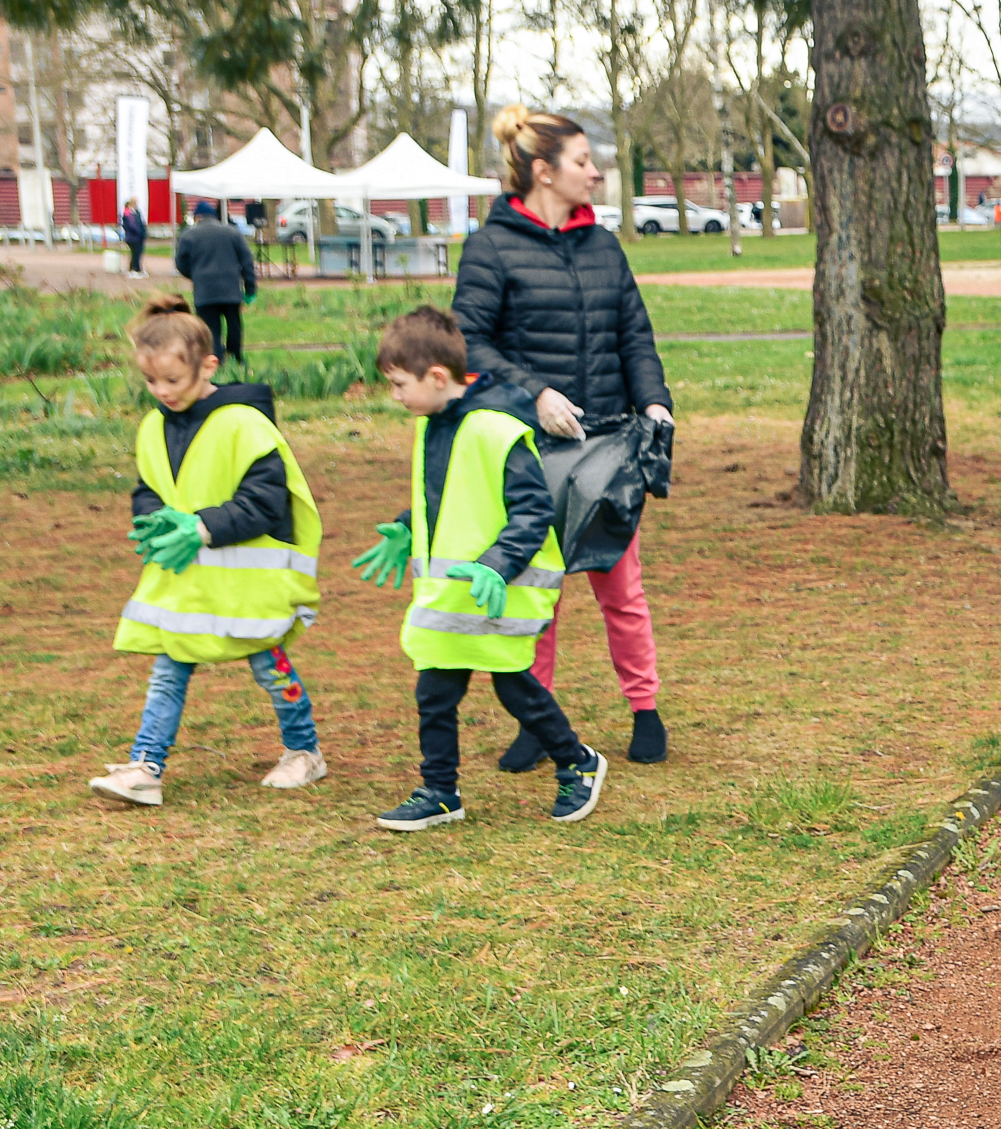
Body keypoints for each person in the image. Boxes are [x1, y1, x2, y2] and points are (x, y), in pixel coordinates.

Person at [453, 105, 674, 770]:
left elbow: (633, 333)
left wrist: (655, 403)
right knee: (538, 590)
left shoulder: (604, 246)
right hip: (533, 451)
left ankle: (646, 710)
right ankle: (536, 720)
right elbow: (468, 340)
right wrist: (535, 394)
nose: (595, 172)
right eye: (583, 161)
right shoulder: (490, 247)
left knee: (621, 589)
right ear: (543, 172)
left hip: (609, 447)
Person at [354, 307, 608, 831]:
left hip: (500, 591)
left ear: (438, 377)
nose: (395, 396)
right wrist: (407, 528)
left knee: (516, 689)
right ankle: (441, 791)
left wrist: (496, 566)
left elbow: (533, 511)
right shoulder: (431, 428)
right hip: (448, 595)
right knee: (434, 694)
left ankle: (578, 763)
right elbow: (446, 499)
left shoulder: (497, 430)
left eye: (400, 385)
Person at [91, 295, 325, 807]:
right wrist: (152, 521)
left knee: (270, 665)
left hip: (249, 587)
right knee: (169, 668)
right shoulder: (153, 426)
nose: (161, 392)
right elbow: (149, 486)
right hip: (190, 584)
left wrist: (198, 528)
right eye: (151, 382)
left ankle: (304, 752)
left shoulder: (245, 424)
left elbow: (265, 502)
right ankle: (147, 766)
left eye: (172, 380)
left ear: (208, 365)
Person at [175, 201, 257, 362]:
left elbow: (180, 263)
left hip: (204, 291)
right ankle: (235, 358)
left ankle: (216, 359)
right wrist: (250, 289)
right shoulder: (232, 232)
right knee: (234, 326)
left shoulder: (189, 234)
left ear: (197, 217)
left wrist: (196, 275)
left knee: (210, 329)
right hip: (231, 290)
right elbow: (247, 262)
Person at [120, 198, 148, 279]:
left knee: (137, 253)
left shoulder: (136, 212)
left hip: (138, 237)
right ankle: (134, 269)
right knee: (135, 253)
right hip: (133, 237)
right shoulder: (128, 213)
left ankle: (137, 269)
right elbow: (131, 225)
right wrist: (138, 232)